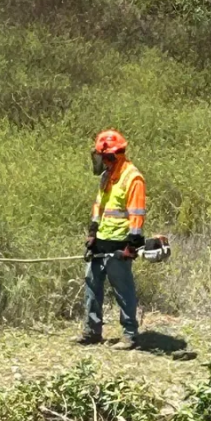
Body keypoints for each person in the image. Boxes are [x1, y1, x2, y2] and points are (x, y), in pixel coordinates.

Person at [79, 130, 146, 350]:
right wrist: (92, 233)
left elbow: (137, 213)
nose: (98, 160)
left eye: (101, 155)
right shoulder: (107, 176)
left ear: (112, 155)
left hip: (119, 243)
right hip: (101, 240)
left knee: (123, 290)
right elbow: (99, 206)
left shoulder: (132, 177)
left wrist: (132, 244)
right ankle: (91, 332)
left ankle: (130, 335)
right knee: (92, 286)